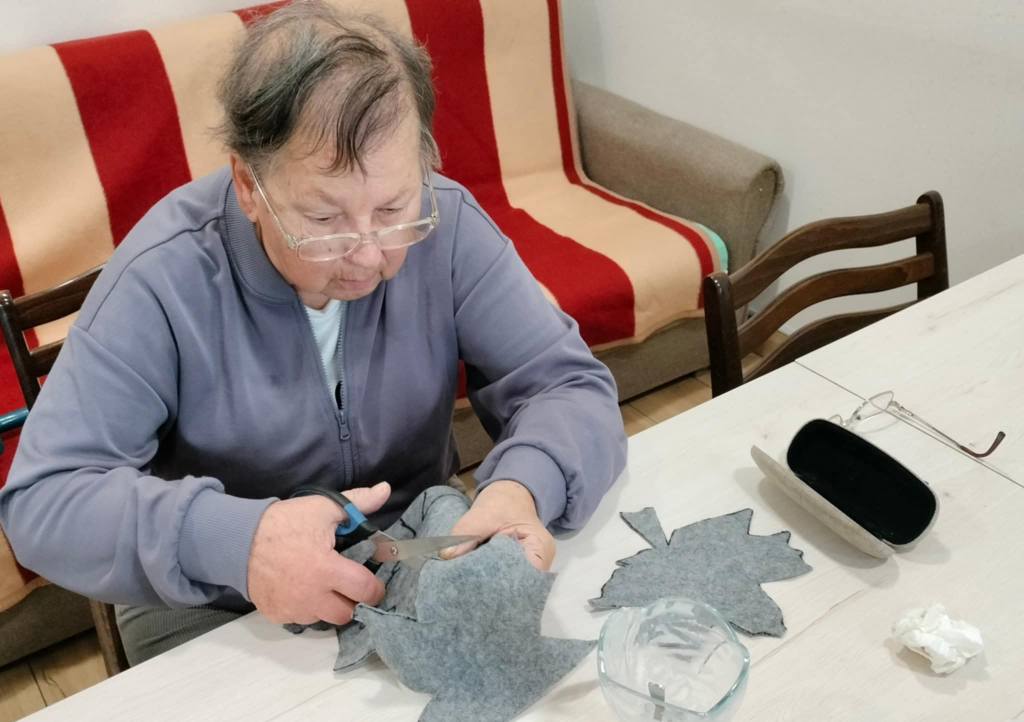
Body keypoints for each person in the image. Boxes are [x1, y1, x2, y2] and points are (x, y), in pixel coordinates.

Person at [0, 1, 625, 665]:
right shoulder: (162, 278)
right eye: (325, 220)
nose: (369, 255)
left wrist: (521, 487)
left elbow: (566, 384)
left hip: (408, 545)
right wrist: (238, 541)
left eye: (392, 207)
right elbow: (44, 500)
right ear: (249, 185)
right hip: (214, 596)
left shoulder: (448, 226)